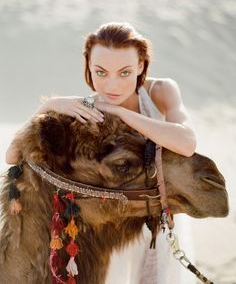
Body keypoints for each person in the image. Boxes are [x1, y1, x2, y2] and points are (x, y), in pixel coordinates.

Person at [5, 22, 197, 284]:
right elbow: (12, 156)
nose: (112, 84)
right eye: (101, 72)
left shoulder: (160, 91)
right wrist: (47, 106)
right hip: (118, 224)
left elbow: (186, 143)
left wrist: (118, 111)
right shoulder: (84, 110)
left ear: (141, 66)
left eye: (125, 72)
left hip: (160, 210)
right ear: (88, 66)